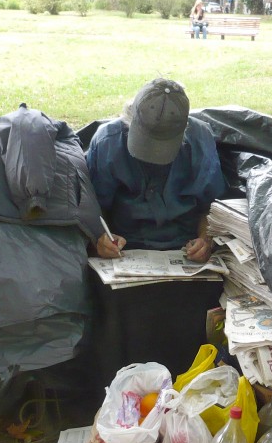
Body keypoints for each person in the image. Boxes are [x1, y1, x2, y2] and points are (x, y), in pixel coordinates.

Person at [84, 79, 227, 386]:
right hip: (126, 249)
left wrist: (205, 240)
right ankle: (116, 390)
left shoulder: (199, 140)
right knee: (114, 305)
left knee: (204, 303)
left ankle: (185, 387)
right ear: (129, 121)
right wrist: (99, 240)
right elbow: (92, 211)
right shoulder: (107, 142)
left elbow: (209, 207)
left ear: (184, 133)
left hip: (183, 250)